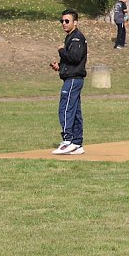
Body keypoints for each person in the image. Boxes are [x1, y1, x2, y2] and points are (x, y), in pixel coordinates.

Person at [49, 9, 88, 155]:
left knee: (65, 108)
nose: (64, 24)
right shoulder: (70, 37)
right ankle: (77, 143)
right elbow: (71, 60)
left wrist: (61, 50)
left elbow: (75, 57)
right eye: (62, 21)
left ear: (75, 22)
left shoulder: (77, 38)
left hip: (73, 80)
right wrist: (60, 66)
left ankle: (68, 140)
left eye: (67, 21)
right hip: (71, 78)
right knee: (76, 111)